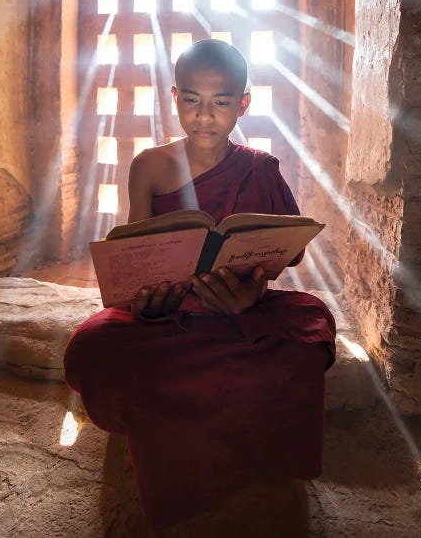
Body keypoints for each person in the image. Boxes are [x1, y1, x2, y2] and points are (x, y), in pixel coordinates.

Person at [64, 39, 336, 533]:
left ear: (243, 103)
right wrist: (146, 299)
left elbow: (284, 253)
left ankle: (229, 449)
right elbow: (136, 253)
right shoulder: (149, 165)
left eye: (221, 102)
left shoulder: (260, 168)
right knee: (90, 344)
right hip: (165, 315)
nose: (204, 115)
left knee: (311, 324)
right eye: (191, 100)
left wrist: (250, 293)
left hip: (241, 307)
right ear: (174, 97)